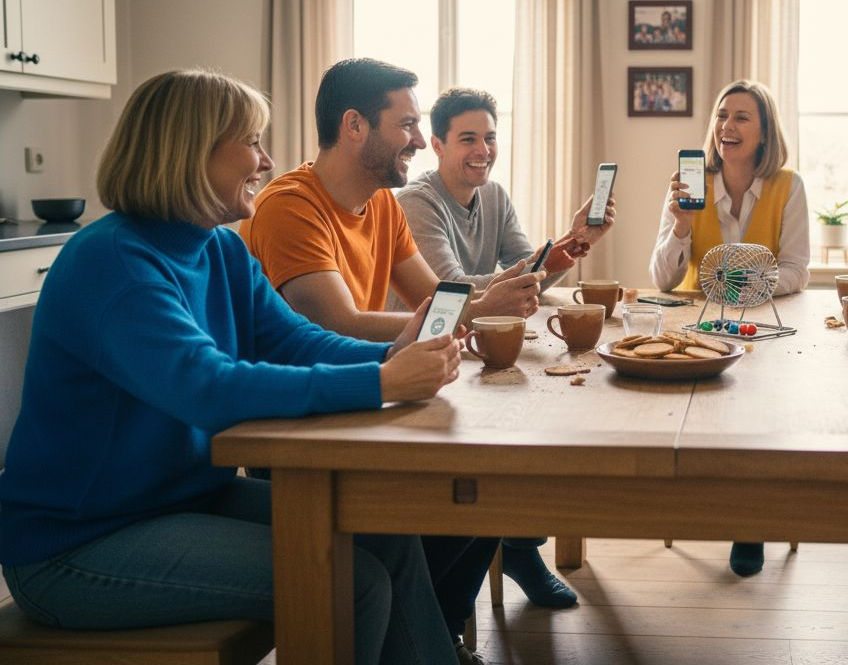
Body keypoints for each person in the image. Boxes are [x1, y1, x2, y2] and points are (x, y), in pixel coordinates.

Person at [0, 69, 463, 665]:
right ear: (191, 151)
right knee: (355, 584)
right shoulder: (112, 263)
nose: (266, 160)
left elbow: (292, 340)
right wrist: (379, 381)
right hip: (78, 543)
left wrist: (392, 355)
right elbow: (207, 387)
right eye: (251, 142)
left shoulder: (218, 247)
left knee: (385, 532)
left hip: (182, 500)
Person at [240, 58, 521, 664]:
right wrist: (468, 315)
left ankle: (433, 639)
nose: (421, 141)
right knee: (451, 500)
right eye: (408, 125)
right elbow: (333, 323)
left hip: (372, 397)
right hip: (303, 427)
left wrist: (486, 303)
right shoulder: (291, 205)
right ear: (355, 126)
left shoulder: (383, 204)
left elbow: (433, 300)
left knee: (493, 492)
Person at [395, 86, 617, 609]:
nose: (483, 150)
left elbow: (527, 269)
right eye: (468, 138)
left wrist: (575, 239)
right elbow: (450, 289)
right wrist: (539, 263)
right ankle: (511, 549)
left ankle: (520, 545)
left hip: (479, 350)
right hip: (431, 354)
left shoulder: (493, 195)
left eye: (490, 138)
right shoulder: (415, 203)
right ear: (437, 144)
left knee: (546, 412)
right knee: (515, 433)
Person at [649, 79, 810, 577]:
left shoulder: (789, 186)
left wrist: (736, 286)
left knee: (758, 415)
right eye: (722, 115)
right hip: (697, 329)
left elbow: (797, 270)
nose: (727, 126)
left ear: (764, 133)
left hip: (763, 328)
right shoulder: (687, 187)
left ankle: (749, 522)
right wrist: (679, 225)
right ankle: (696, 507)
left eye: (741, 117)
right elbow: (662, 278)